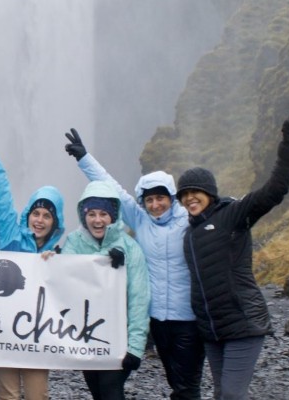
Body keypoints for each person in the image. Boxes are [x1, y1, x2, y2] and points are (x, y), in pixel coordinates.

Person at [178, 108, 289, 400]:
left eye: (195, 191)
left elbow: (274, 190)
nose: (189, 197)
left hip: (243, 324)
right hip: (212, 331)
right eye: (184, 194)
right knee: (220, 394)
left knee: (231, 395)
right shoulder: (188, 234)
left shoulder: (233, 215)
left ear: (210, 193)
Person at [64, 129, 204, 399]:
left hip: (187, 316)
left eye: (161, 198)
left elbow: (216, 222)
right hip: (157, 320)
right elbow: (111, 190)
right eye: (149, 199)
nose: (155, 204)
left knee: (187, 386)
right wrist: (84, 159)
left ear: (172, 198)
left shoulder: (189, 221)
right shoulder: (140, 221)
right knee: (176, 383)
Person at [0, 124, 64, 400]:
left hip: (37, 335)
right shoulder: (11, 237)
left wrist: (58, 262)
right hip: (2, 329)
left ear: (55, 222)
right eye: (35, 213)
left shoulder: (61, 251)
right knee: (8, 396)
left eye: (46, 216)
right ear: (28, 214)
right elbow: (2, 197)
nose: (39, 220)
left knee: (37, 395)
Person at [48, 179, 150, 400]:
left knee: (110, 390)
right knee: (97, 391)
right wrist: (53, 260)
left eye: (103, 214)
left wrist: (134, 347)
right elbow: (64, 284)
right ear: (83, 215)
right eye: (91, 213)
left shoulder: (130, 249)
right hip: (88, 338)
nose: (97, 220)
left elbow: (139, 300)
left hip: (118, 339)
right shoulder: (74, 242)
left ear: (113, 216)